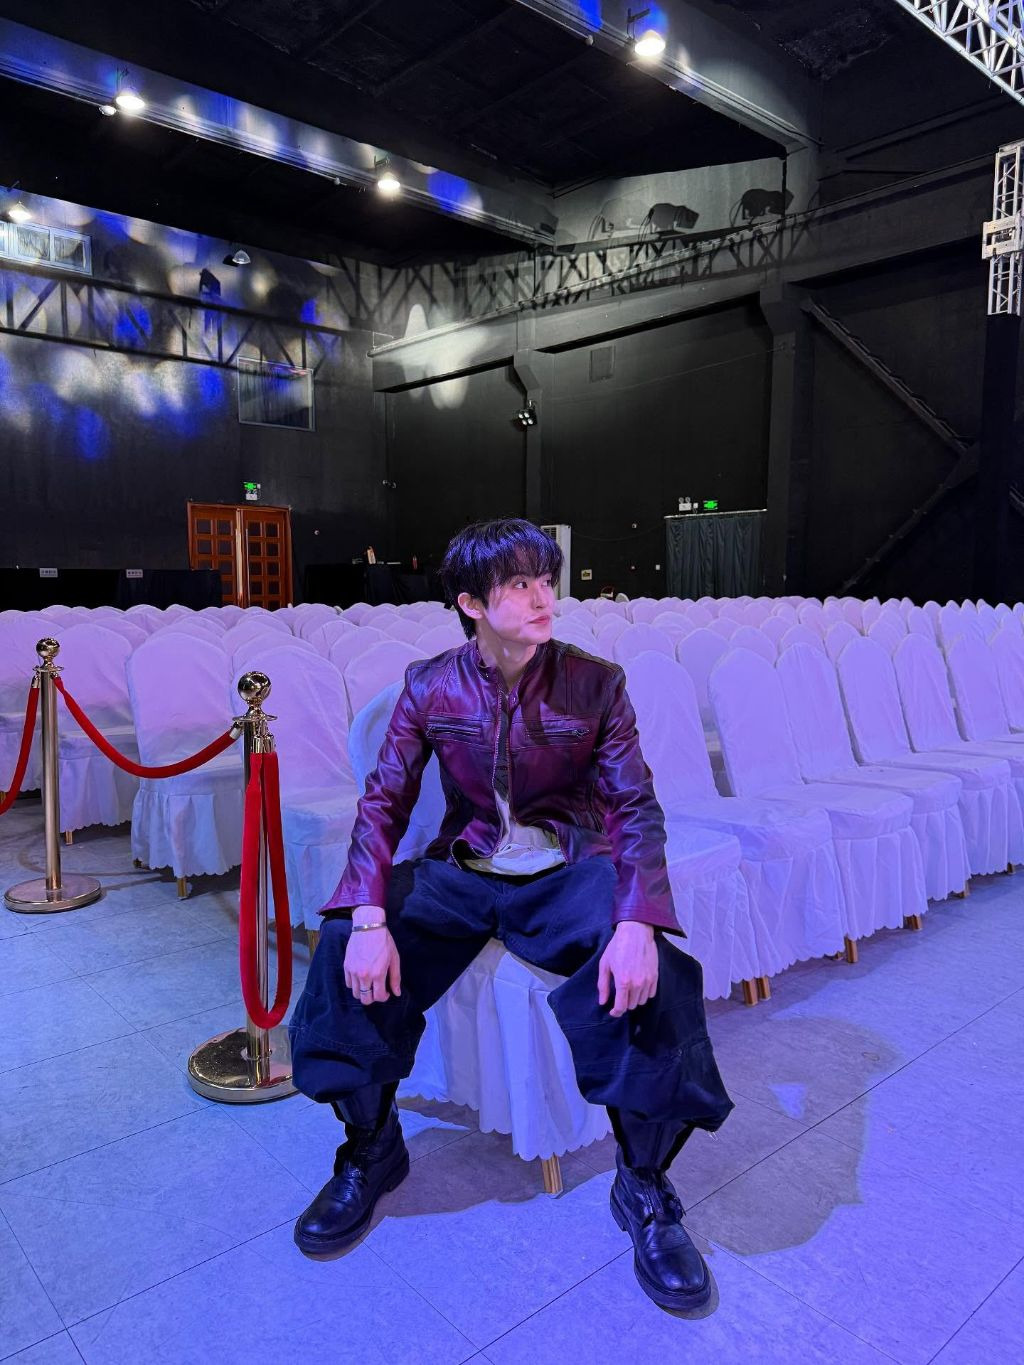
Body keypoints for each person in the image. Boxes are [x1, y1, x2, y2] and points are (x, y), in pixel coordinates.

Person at [288, 518, 733, 1311]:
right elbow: (383, 804)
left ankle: (643, 1183)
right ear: (471, 603)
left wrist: (637, 922)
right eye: (520, 584)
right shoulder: (430, 684)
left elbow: (635, 808)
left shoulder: (596, 683)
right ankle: (372, 1147)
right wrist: (368, 917)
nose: (543, 598)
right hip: (463, 873)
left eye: (545, 580)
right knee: (339, 945)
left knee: (658, 973)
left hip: (565, 873)